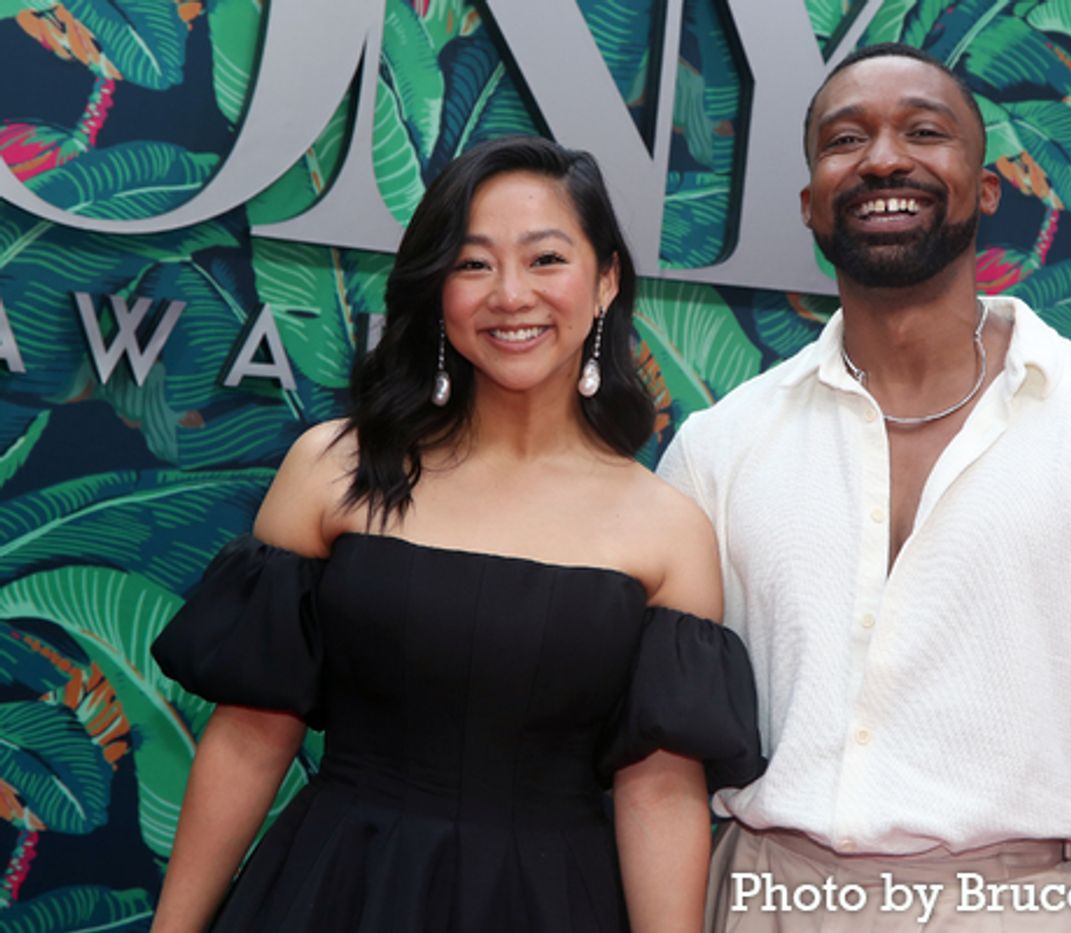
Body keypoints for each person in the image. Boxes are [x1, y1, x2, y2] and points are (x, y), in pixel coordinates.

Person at [658, 44, 1071, 932]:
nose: (885, 157)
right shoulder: (717, 448)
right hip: (763, 899)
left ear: (986, 188)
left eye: (925, 131)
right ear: (811, 202)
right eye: (845, 138)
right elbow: (659, 758)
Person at [150, 135, 764, 932]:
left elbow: (658, 790)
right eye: (473, 264)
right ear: (436, 289)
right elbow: (251, 735)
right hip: (336, 887)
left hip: (549, 903)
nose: (511, 294)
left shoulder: (667, 528)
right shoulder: (332, 469)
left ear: (606, 280)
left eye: (546, 259)